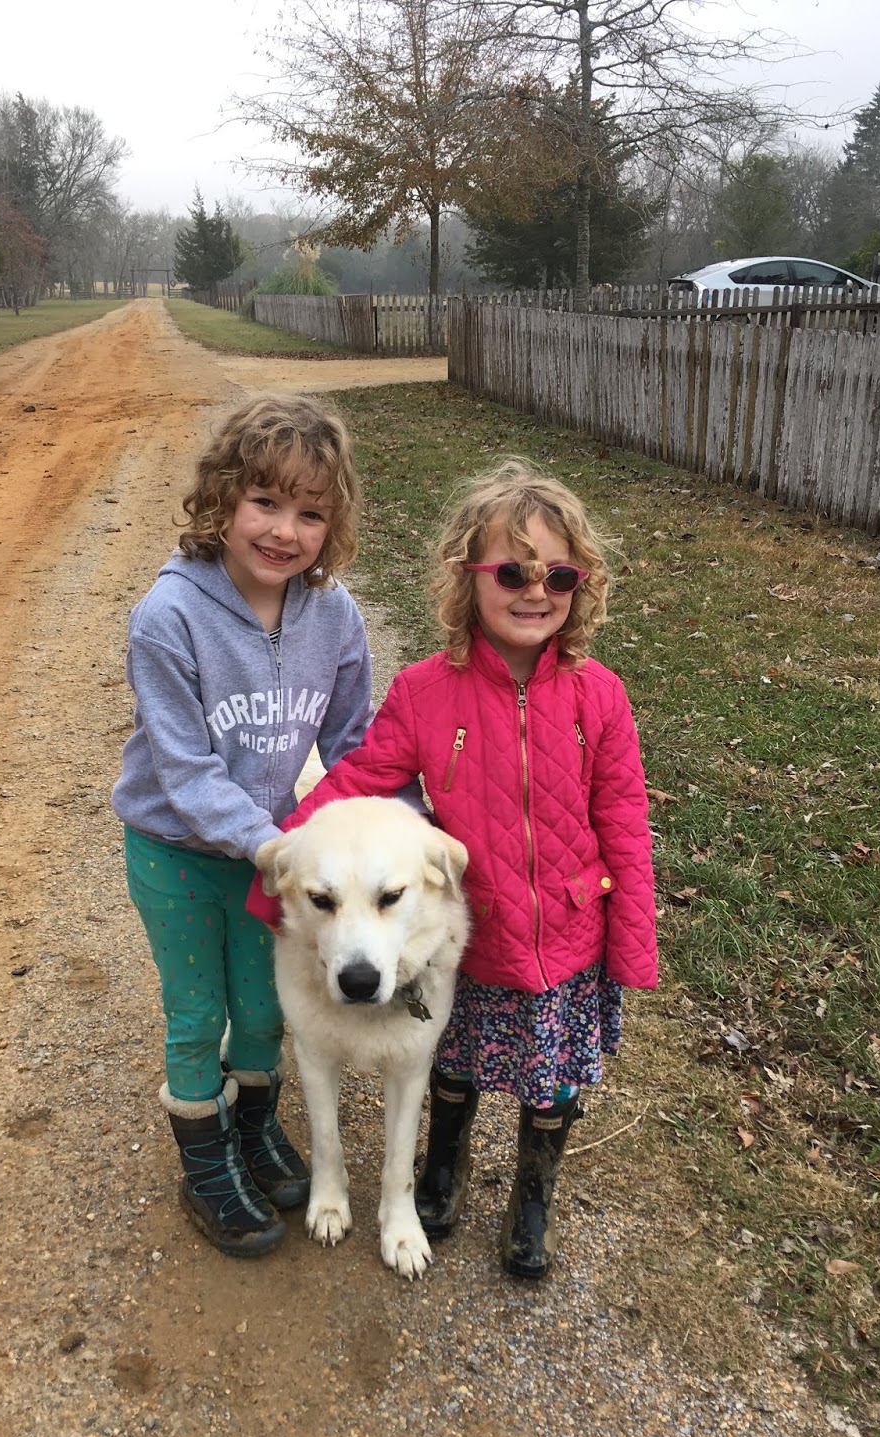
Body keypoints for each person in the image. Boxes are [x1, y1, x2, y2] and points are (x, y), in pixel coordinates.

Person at [249, 458, 656, 1279]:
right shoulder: (426, 692)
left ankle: (534, 1194)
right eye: (511, 571)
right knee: (453, 1069)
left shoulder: (600, 697)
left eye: (559, 575)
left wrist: (632, 945)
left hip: (569, 938)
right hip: (478, 939)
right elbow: (357, 780)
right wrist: (284, 867)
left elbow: (625, 825)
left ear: (583, 586)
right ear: (468, 578)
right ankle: (442, 1166)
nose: (535, 591)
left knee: (551, 1085)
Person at [112, 393, 373, 1259]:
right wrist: (276, 846)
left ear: (331, 528)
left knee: (265, 1009)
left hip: (273, 854)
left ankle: (253, 1126)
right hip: (176, 853)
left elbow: (353, 743)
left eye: (310, 513)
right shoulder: (169, 618)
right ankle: (206, 1165)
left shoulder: (334, 616)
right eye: (265, 502)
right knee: (198, 1012)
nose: (283, 532)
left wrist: (379, 828)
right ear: (222, 498)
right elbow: (184, 773)